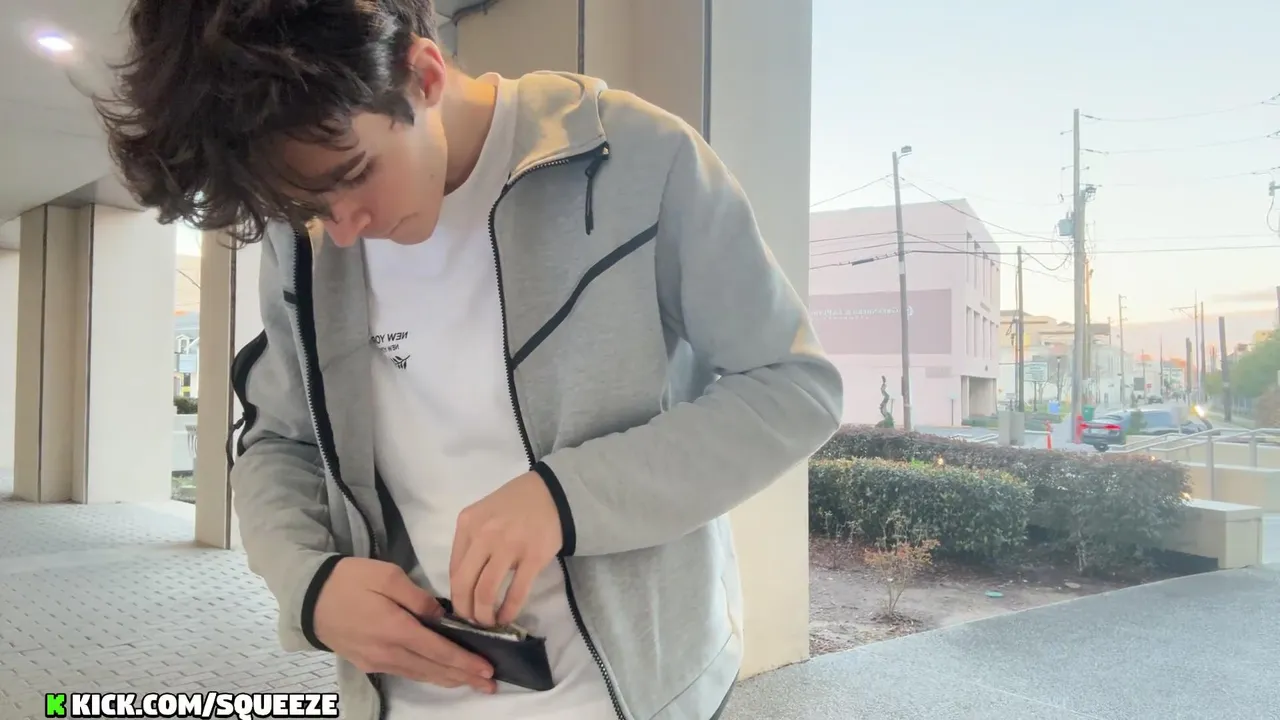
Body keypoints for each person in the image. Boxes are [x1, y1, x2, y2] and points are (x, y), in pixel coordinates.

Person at [97, 1, 843, 718]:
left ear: (422, 75)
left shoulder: (637, 157)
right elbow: (278, 440)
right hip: (401, 693)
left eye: (353, 175)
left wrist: (564, 498)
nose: (343, 230)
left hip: (638, 692)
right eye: (310, 207)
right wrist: (310, 583)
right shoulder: (304, 239)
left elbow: (794, 387)